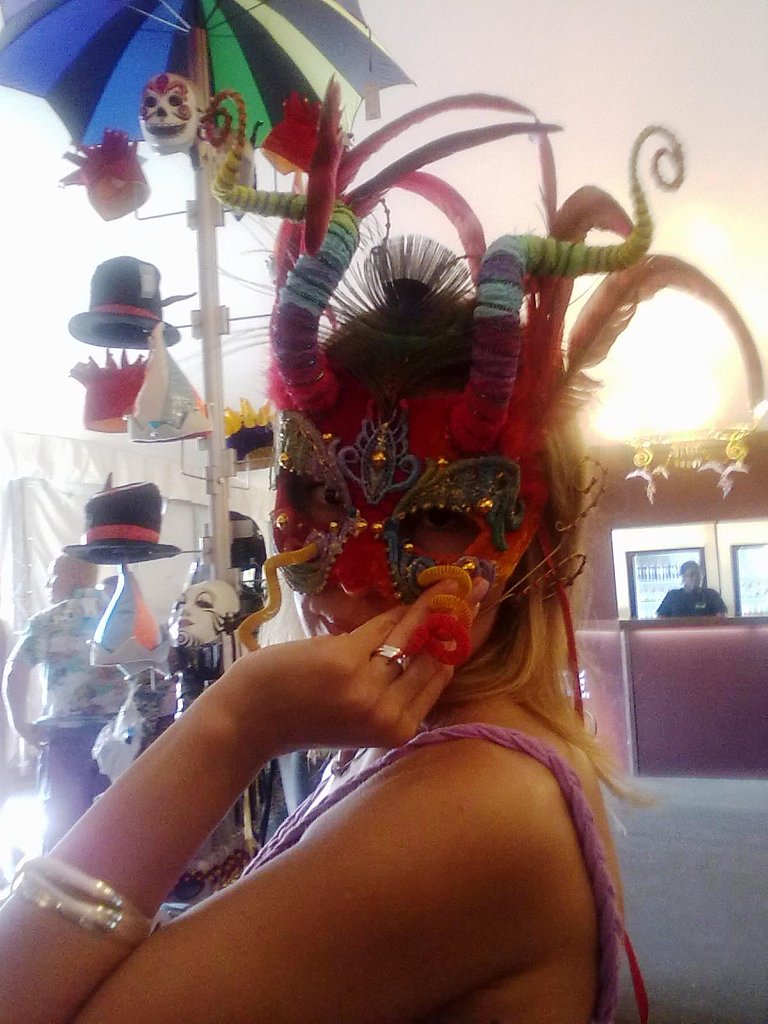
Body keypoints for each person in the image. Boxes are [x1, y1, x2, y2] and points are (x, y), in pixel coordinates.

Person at [0, 89, 702, 1023]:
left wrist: (233, 723)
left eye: (438, 516)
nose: (353, 575)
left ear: (532, 540)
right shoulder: (416, 753)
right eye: (324, 498)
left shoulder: (471, 811)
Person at [1, 554, 126, 852]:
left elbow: (15, 672)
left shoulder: (48, 621)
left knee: (62, 830)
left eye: (53, 576)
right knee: (115, 827)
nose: (48, 584)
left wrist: (19, 724)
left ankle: (61, 881)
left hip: (66, 740)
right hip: (120, 739)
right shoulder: (121, 616)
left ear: (73, 576)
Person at [656, 560, 727, 617]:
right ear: (683, 577)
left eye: (698, 574)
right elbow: (661, 620)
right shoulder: (673, 596)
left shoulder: (711, 595)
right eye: (691, 575)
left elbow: (721, 619)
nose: (695, 578)